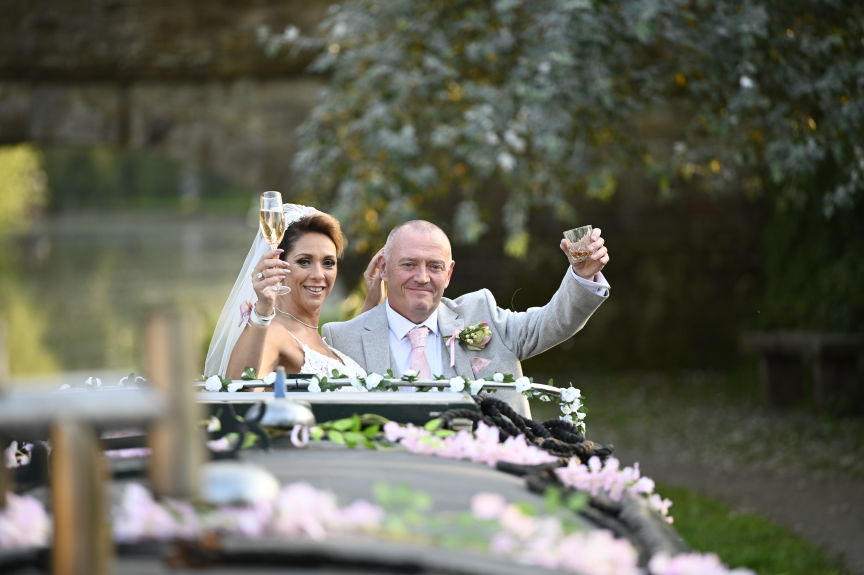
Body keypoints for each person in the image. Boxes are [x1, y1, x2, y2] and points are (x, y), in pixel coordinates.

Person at [321, 220, 611, 416]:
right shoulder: (342, 338)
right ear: (383, 268)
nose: (422, 277)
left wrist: (581, 276)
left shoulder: (482, 313)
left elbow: (552, 323)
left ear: (448, 273)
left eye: (434, 266)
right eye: (409, 264)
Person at [204, 204, 382, 379]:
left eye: (328, 263)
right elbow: (238, 394)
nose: (319, 275)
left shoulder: (324, 339)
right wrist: (262, 311)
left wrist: (371, 304)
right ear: (277, 265)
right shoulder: (274, 332)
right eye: (304, 261)